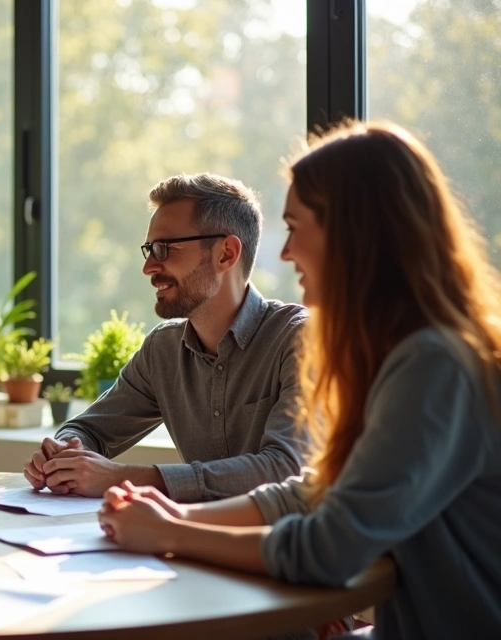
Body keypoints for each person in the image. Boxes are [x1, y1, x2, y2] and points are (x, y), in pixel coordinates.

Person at [97, 121, 501, 638]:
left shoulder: (436, 364)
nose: (285, 254)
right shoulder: (404, 353)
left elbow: (327, 549)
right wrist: (173, 512)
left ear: (356, 231)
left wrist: (171, 532)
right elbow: (311, 494)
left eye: (295, 226)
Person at [24, 173, 307, 502]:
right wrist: (66, 452)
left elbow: (285, 469)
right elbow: (89, 430)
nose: (148, 267)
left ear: (226, 254)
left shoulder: (299, 340)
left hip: (283, 549)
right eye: (149, 250)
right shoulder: (163, 351)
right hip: (190, 540)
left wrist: (121, 478)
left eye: (164, 249)